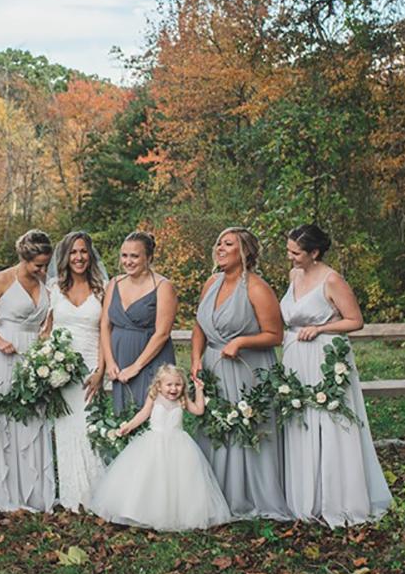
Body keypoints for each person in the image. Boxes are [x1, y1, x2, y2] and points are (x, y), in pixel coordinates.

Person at [279, 224, 392, 526]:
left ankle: (339, 498)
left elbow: (356, 321)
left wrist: (320, 328)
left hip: (324, 355)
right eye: (289, 250)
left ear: (314, 253)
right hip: (295, 357)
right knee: (301, 420)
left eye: (296, 252)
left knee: (330, 422)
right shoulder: (294, 276)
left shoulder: (332, 280)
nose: (290, 257)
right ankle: (306, 498)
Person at [190, 227, 290, 520]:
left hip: (248, 369)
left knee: (247, 429)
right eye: (219, 243)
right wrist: (196, 358)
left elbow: (276, 334)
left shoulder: (257, 288)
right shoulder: (210, 283)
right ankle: (216, 492)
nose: (219, 248)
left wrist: (241, 341)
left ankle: (250, 494)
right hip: (213, 367)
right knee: (215, 427)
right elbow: (199, 327)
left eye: (228, 244)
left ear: (244, 252)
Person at [88, 364, 232, 530]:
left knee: (179, 481)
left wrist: (199, 390)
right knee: (149, 478)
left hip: (179, 445)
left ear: (183, 386)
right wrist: (129, 426)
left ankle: (179, 515)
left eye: (178, 385)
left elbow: (199, 410)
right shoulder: (154, 397)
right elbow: (143, 414)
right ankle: (143, 512)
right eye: (169, 384)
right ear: (159, 385)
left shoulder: (182, 400)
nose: (173, 388)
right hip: (154, 443)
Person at [0, 229, 56, 512]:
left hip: (33, 354)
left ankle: (32, 492)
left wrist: (46, 342)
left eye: (46, 264)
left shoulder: (46, 281)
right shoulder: (1, 279)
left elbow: (49, 319)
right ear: (24, 258)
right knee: (5, 420)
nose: (43, 269)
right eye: (38, 264)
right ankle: (4, 491)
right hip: (4, 351)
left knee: (33, 416)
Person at [47, 231, 108, 512]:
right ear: (66, 257)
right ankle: (71, 495)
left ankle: (97, 493)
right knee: (66, 431)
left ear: (90, 255)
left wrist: (100, 370)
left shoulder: (102, 289)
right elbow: (46, 331)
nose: (79, 257)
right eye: (73, 252)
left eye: (83, 251)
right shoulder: (54, 289)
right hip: (61, 372)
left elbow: (106, 332)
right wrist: (45, 364)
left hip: (90, 371)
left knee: (89, 429)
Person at [100, 231, 178, 414]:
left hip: (150, 362)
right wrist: (110, 362)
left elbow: (162, 333)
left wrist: (136, 367)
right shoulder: (114, 283)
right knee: (124, 417)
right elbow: (105, 324)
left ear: (149, 257)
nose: (128, 261)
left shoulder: (163, 286)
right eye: (124, 256)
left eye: (134, 256)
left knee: (152, 418)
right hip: (120, 361)